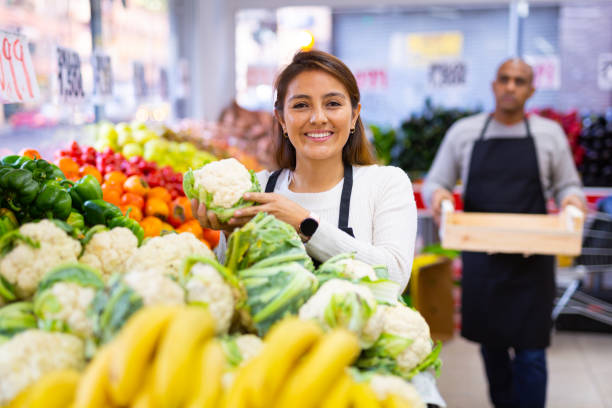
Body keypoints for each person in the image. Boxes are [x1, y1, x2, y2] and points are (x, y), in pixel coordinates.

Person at [423, 58, 586, 408]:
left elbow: (567, 185)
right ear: (494, 85)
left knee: (531, 355)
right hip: (484, 263)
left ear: (531, 90)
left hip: (533, 264)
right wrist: (438, 197)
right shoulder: (465, 133)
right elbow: (436, 181)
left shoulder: (548, 134)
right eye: (504, 79)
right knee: (492, 351)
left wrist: (572, 202)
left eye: (520, 81)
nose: (511, 86)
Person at [192, 50, 417, 290]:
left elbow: (393, 279)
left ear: (354, 116)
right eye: (301, 105)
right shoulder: (256, 190)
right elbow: (232, 293)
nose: (318, 118)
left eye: (332, 104)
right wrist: (230, 235)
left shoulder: (385, 184)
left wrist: (305, 223)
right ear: (281, 120)